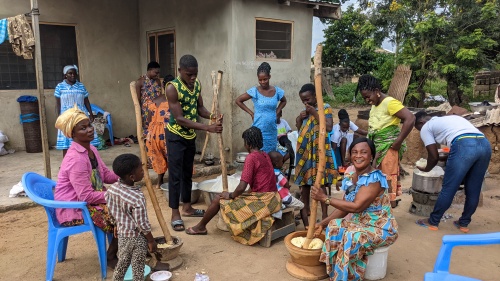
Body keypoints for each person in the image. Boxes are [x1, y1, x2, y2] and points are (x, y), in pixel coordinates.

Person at [311, 137, 398, 280]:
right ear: (350, 155)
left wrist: (325, 198)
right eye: (354, 152)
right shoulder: (351, 176)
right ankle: (334, 273)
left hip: (380, 228)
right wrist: (322, 224)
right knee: (334, 227)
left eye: (363, 152)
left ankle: (346, 277)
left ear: (371, 157)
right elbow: (345, 208)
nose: (358, 156)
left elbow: (356, 207)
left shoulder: (374, 178)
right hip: (359, 224)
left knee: (351, 237)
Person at [185, 127, 281, 246]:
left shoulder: (251, 158)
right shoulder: (265, 155)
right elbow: (260, 182)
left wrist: (230, 195)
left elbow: (241, 186)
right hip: (274, 199)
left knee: (218, 199)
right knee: (235, 198)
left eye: (245, 142)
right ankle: (201, 226)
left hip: (264, 201)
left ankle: (200, 227)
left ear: (248, 143)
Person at [54, 105, 119, 268]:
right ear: (72, 134)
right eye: (83, 128)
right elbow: (86, 196)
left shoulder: (92, 150)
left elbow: (105, 175)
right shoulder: (76, 159)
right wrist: (114, 193)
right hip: (74, 208)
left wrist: (126, 175)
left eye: (89, 125)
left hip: (90, 202)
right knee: (122, 212)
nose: (89, 130)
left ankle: (120, 249)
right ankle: (111, 256)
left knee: (127, 205)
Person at [165, 54, 223, 232]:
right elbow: (180, 118)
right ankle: (175, 213)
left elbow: (200, 109)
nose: (192, 78)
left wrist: (213, 116)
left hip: (190, 136)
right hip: (175, 135)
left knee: (187, 173)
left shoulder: (196, 84)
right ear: (180, 71)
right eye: (189, 74)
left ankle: (187, 207)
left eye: (195, 74)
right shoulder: (172, 88)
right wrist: (207, 128)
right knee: (175, 175)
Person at [414, 112, 491, 233]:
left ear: (421, 123)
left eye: (418, 128)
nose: (420, 131)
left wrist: (426, 168)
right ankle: (464, 224)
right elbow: (464, 147)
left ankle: (433, 221)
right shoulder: (451, 119)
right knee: (474, 189)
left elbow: (433, 156)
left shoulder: (426, 127)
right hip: (484, 145)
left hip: (464, 145)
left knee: (449, 187)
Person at [358, 74, 415, 207]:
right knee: (378, 176)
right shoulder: (375, 105)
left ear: (377, 91)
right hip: (378, 146)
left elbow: (410, 118)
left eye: (368, 96)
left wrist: (398, 142)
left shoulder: (390, 103)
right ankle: (381, 206)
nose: (367, 100)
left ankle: (389, 207)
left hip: (389, 146)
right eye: (364, 98)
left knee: (387, 176)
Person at [106, 154, 157, 281]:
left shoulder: (112, 189)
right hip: (137, 238)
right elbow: (142, 223)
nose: (143, 172)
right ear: (132, 177)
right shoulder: (137, 197)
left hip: (123, 236)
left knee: (122, 264)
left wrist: (116, 225)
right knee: (138, 268)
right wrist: (151, 240)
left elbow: (111, 210)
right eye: (141, 170)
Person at [294, 83, 335, 222]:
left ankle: (324, 215)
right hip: (304, 150)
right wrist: (300, 118)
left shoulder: (325, 107)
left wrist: (314, 113)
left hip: (319, 150)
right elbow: (299, 128)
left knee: (320, 182)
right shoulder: (306, 111)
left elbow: (328, 127)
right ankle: (306, 210)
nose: (305, 103)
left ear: (315, 96)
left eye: (308, 99)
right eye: (303, 101)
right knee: (304, 183)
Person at [235, 62, 287, 153]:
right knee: (258, 153)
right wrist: (251, 113)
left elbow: (284, 101)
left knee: (271, 155)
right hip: (258, 128)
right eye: (260, 80)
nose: (262, 82)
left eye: (265, 79)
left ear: (269, 77)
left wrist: (278, 111)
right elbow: (238, 100)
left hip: (272, 130)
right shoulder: (254, 91)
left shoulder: (277, 91)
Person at [55, 65, 100, 157]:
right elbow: (57, 104)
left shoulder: (81, 86)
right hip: (66, 117)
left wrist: (90, 114)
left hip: (81, 116)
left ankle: (89, 160)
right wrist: (58, 117)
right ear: (65, 75)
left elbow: (86, 101)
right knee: (66, 141)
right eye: (70, 73)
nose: (72, 75)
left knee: (85, 137)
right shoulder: (60, 87)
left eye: (74, 73)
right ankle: (67, 163)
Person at [145, 74, 175, 189]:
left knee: (158, 157)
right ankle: (173, 183)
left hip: (153, 134)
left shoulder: (155, 101)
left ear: (162, 85)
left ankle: (159, 182)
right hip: (169, 132)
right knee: (172, 157)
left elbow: (148, 121)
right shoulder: (175, 101)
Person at [268, 151, 307, 227]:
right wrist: (288, 185)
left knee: (296, 195)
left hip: (276, 198)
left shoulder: (270, 172)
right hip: (285, 198)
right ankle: (307, 226)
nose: (282, 163)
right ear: (276, 163)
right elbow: (286, 184)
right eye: (281, 161)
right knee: (303, 206)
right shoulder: (279, 174)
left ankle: (293, 221)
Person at [136, 61, 162, 139]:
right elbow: (137, 99)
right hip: (146, 112)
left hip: (157, 109)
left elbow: (160, 96)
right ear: (150, 70)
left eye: (158, 73)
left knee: (157, 129)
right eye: (155, 72)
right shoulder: (140, 82)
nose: (157, 75)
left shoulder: (157, 81)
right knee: (147, 130)